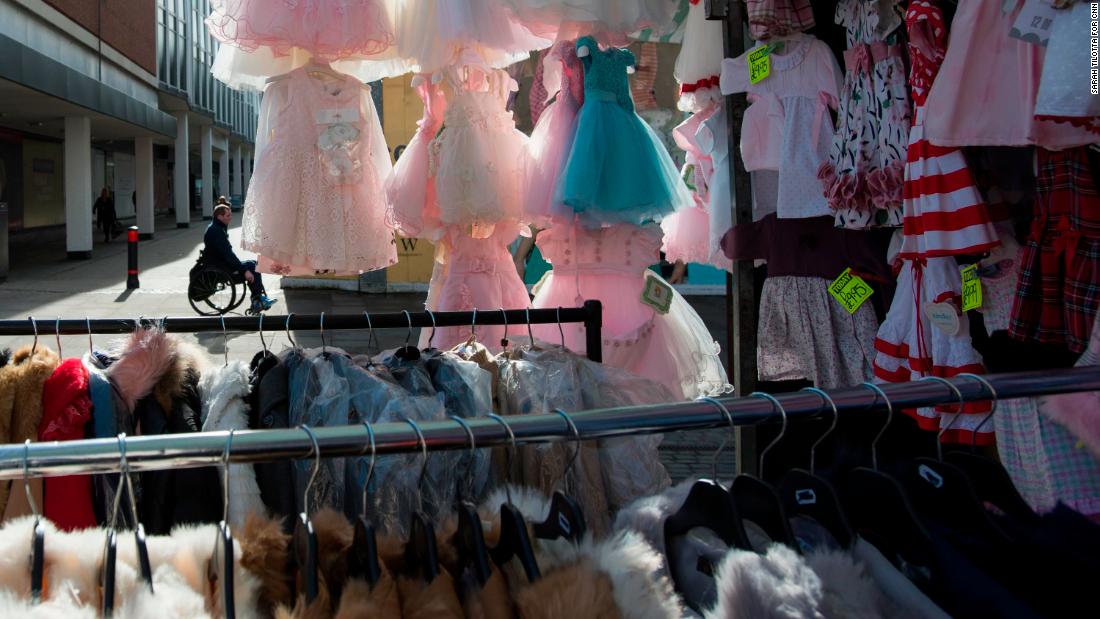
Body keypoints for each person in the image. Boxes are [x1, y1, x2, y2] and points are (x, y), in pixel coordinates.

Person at [204, 198, 276, 312]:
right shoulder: (216, 231)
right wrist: (244, 271)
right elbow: (228, 256)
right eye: (228, 215)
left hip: (221, 264)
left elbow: (227, 254)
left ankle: (258, 299)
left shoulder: (217, 228)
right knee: (252, 267)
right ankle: (257, 300)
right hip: (221, 268)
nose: (230, 217)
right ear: (220, 217)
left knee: (253, 264)